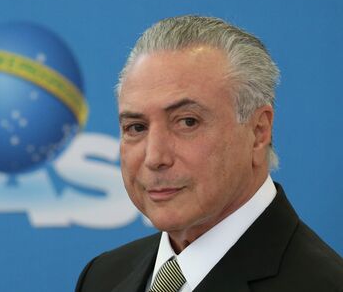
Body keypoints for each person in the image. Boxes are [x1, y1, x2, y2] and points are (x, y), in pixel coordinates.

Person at [75, 15, 343, 292]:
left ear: (258, 131)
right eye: (136, 127)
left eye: (187, 122)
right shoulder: (100, 277)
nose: (154, 157)